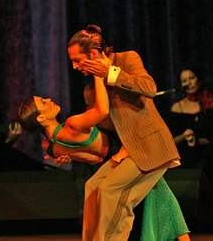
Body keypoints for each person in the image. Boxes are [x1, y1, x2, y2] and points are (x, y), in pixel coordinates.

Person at [18, 92, 190, 240]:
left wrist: (71, 156)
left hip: (111, 157)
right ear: (41, 118)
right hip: (122, 153)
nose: (48, 99)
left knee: (159, 193)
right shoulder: (71, 125)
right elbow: (102, 110)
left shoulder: (50, 145)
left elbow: (91, 158)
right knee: (153, 192)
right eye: (43, 102)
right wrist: (100, 75)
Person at [65, 24, 181, 241]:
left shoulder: (126, 59)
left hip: (150, 146)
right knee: (93, 186)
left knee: (111, 191)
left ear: (92, 54)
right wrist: (72, 150)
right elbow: (100, 131)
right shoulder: (90, 90)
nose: (74, 66)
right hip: (126, 151)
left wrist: (110, 73)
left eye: (77, 60)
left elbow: (149, 88)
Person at [168, 67, 213, 168]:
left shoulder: (209, 102)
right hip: (185, 161)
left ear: (199, 79)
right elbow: (170, 142)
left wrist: (197, 140)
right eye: (184, 80)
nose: (189, 83)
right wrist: (184, 136)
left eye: (191, 78)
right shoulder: (177, 108)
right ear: (181, 85)